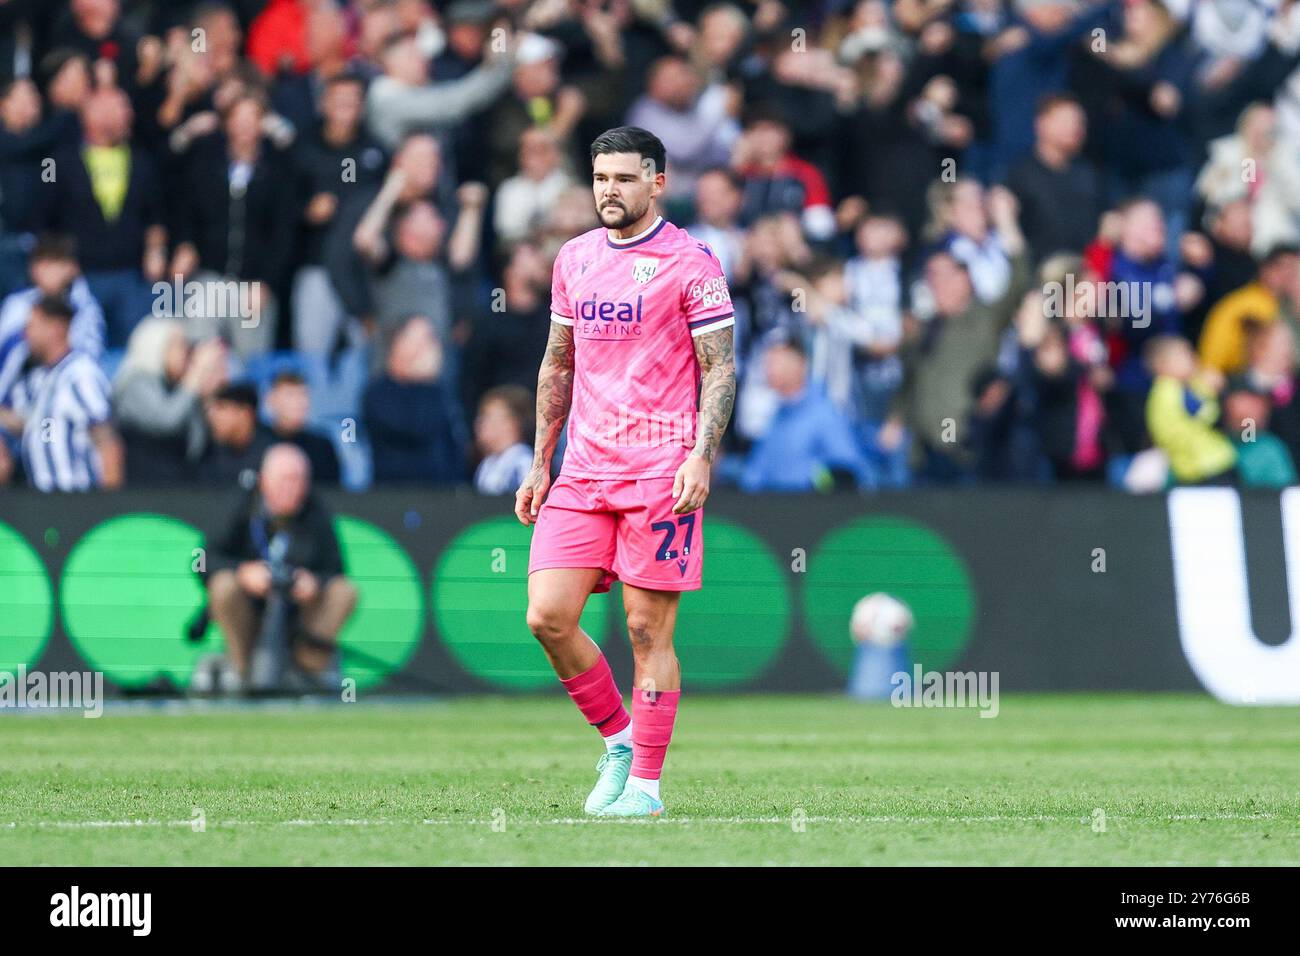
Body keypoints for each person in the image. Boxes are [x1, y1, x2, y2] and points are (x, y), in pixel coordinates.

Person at [515, 126, 737, 818]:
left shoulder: (692, 262)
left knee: (647, 632)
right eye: (600, 177)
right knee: (547, 616)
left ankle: (645, 787)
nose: (609, 190)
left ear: (657, 183)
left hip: (658, 472)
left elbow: (719, 367)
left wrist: (701, 453)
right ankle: (617, 739)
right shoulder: (574, 259)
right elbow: (558, 363)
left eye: (624, 178)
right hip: (582, 470)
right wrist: (539, 460)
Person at [203, 443, 359, 691]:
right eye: (285, 479)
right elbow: (202, 560)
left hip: (298, 617)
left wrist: (314, 583)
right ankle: (242, 671)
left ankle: (309, 669)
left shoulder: (315, 511)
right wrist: (244, 572)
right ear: (264, 480)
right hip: (252, 612)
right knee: (223, 584)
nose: (293, 487)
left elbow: (337, 570)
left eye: (299, 480)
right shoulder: (241, 505)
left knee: (344, 591)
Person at [0, 295, 122, 491]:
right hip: (41, 504)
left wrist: (109, 505)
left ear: (55, 328)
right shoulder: (38, 378)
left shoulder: (80, 374)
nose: (26, 334)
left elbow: (106, 439)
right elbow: (28, 422)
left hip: (77, 501)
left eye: (32, 326)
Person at [738, 336, 872, 492]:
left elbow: (849, 471)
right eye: (767, 363)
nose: (768, 369)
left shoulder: (825, 413)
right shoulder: (776, 417)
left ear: (798, 364)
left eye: (775, 362)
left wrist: (812, 480)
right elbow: (754, 473)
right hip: (772, 510)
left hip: (813, 510)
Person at [114, 317, 227, 484]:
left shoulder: (179, 387)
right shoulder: (135, 383)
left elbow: (195, 447)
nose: (186, 352)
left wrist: (206, 398)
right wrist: (195, 376)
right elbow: (166, 421)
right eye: (180, 345)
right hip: (143, 489)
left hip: (179, 486)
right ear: (156, 347)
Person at [363, 315, 467, 485]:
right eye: (422, 341)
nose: (430, 350)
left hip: (444, 499)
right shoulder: (378, 393)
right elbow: (418, 428)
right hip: (396, 497)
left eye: (431, 341)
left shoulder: (439, 391)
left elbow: (452, 445)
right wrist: (425, 383)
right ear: (398, 344)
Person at [1145, 335, 1237, 486]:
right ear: (1162, 365)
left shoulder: (1164, 391)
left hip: (1191, 468)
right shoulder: (1171, 389)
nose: (1193, 359)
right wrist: (1208, 387)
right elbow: (1203, 413)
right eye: (1185, 355)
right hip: (1206, 466)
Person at [265, 370, 340, 485]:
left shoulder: (322, 447)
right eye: (291, 395)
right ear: (271, 399)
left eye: (303, 395)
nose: (300, 402)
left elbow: (332, 493)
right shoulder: (257, 444)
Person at [198, 381, 275, 488]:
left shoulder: (272, 454)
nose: (213, 416)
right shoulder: (208, 451)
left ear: (245, 413)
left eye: (222, 407)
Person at [473, 384, 534, 494]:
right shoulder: (486, 464)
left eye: (488, 417)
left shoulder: (524, 462)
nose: (480, 423)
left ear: (512, 423)